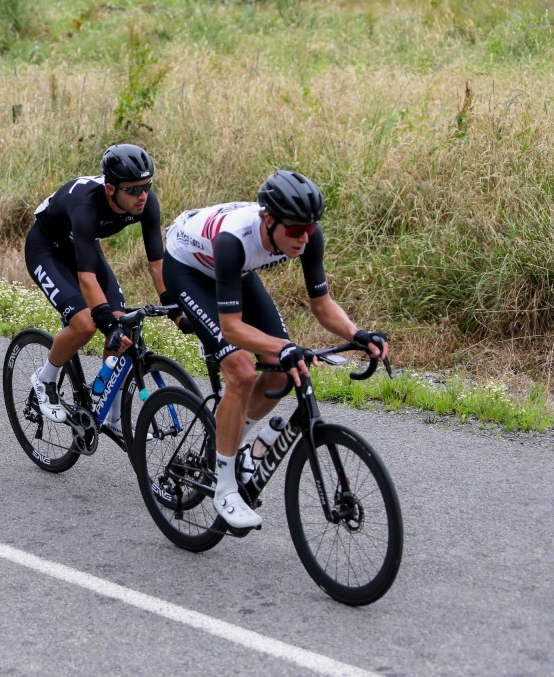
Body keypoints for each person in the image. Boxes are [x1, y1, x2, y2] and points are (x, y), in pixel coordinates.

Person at [161, 170, 389, 529]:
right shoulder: (234, 240)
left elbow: (322, 304)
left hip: (236, 273)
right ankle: (224, 489)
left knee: (282, 368)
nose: (303, 238)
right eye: (294, 230)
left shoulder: (307, 236)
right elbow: (231, 327)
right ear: (268, 220)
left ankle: (234, 442)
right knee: (241, 372)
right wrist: (285, 346)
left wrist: (357, 333)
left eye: (309, 230)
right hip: (187, 268)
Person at [25, 143, 175, 439]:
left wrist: (175, 308)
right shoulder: (86, 205)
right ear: (110, 189)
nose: (142, 195)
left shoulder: (146, 204)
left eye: (147, 186)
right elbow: (86, 278)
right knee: (85, 325)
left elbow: (157, 264)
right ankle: (45, 379)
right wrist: (106, 323)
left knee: (122, 326)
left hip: (83, 246)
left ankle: (114, 414)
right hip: (46, 248)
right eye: (133, 190)